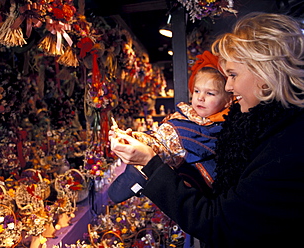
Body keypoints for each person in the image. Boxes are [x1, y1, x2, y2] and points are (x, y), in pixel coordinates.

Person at [109, 12, 304, 248]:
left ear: (265, 74)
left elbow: (221, 223)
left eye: (232, 75)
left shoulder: (287, 149)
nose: (230, 87)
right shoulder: (254, 126)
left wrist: (150, 163)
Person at [108, 50, 232, 204]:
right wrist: (135, 138)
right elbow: (162, 139)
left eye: (210, 93)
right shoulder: (186, 119)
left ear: (228, 100)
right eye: (197, 91)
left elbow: (168, 142)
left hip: (205, 200)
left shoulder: (225, 127)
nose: (200, 97)